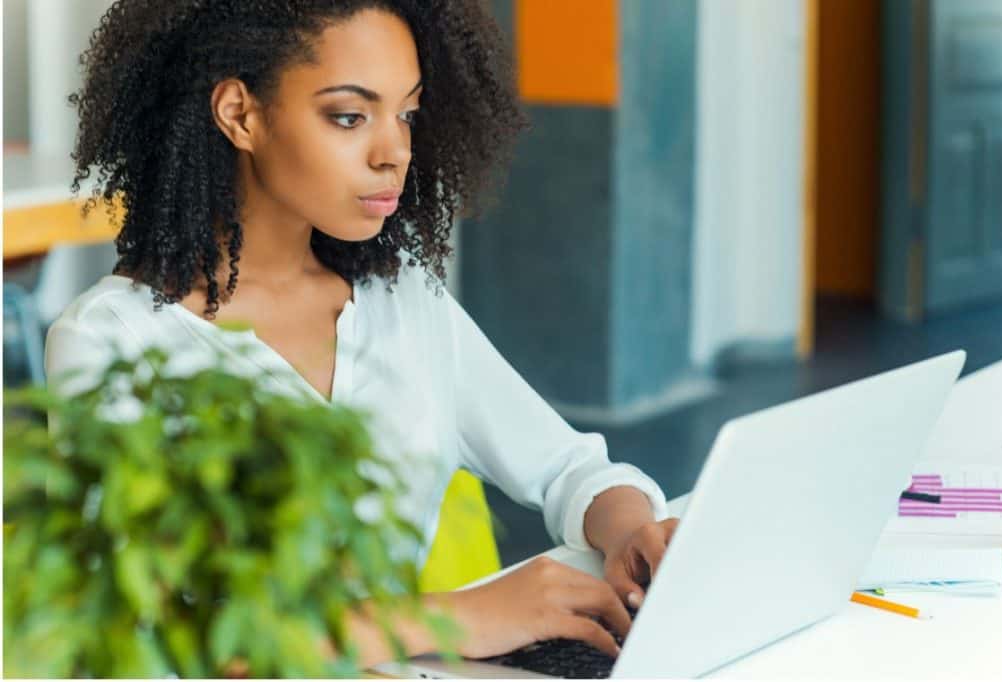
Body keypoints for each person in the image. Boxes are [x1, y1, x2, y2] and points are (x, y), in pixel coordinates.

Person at [46, 0, 680, 668]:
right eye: (349, 116)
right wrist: (454, 619)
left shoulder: (403, 299)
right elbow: (158, 630)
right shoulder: (109, 341)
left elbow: (568, 468)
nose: (395, 152)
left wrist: (632, 531)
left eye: (406, 115)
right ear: (240, 113)